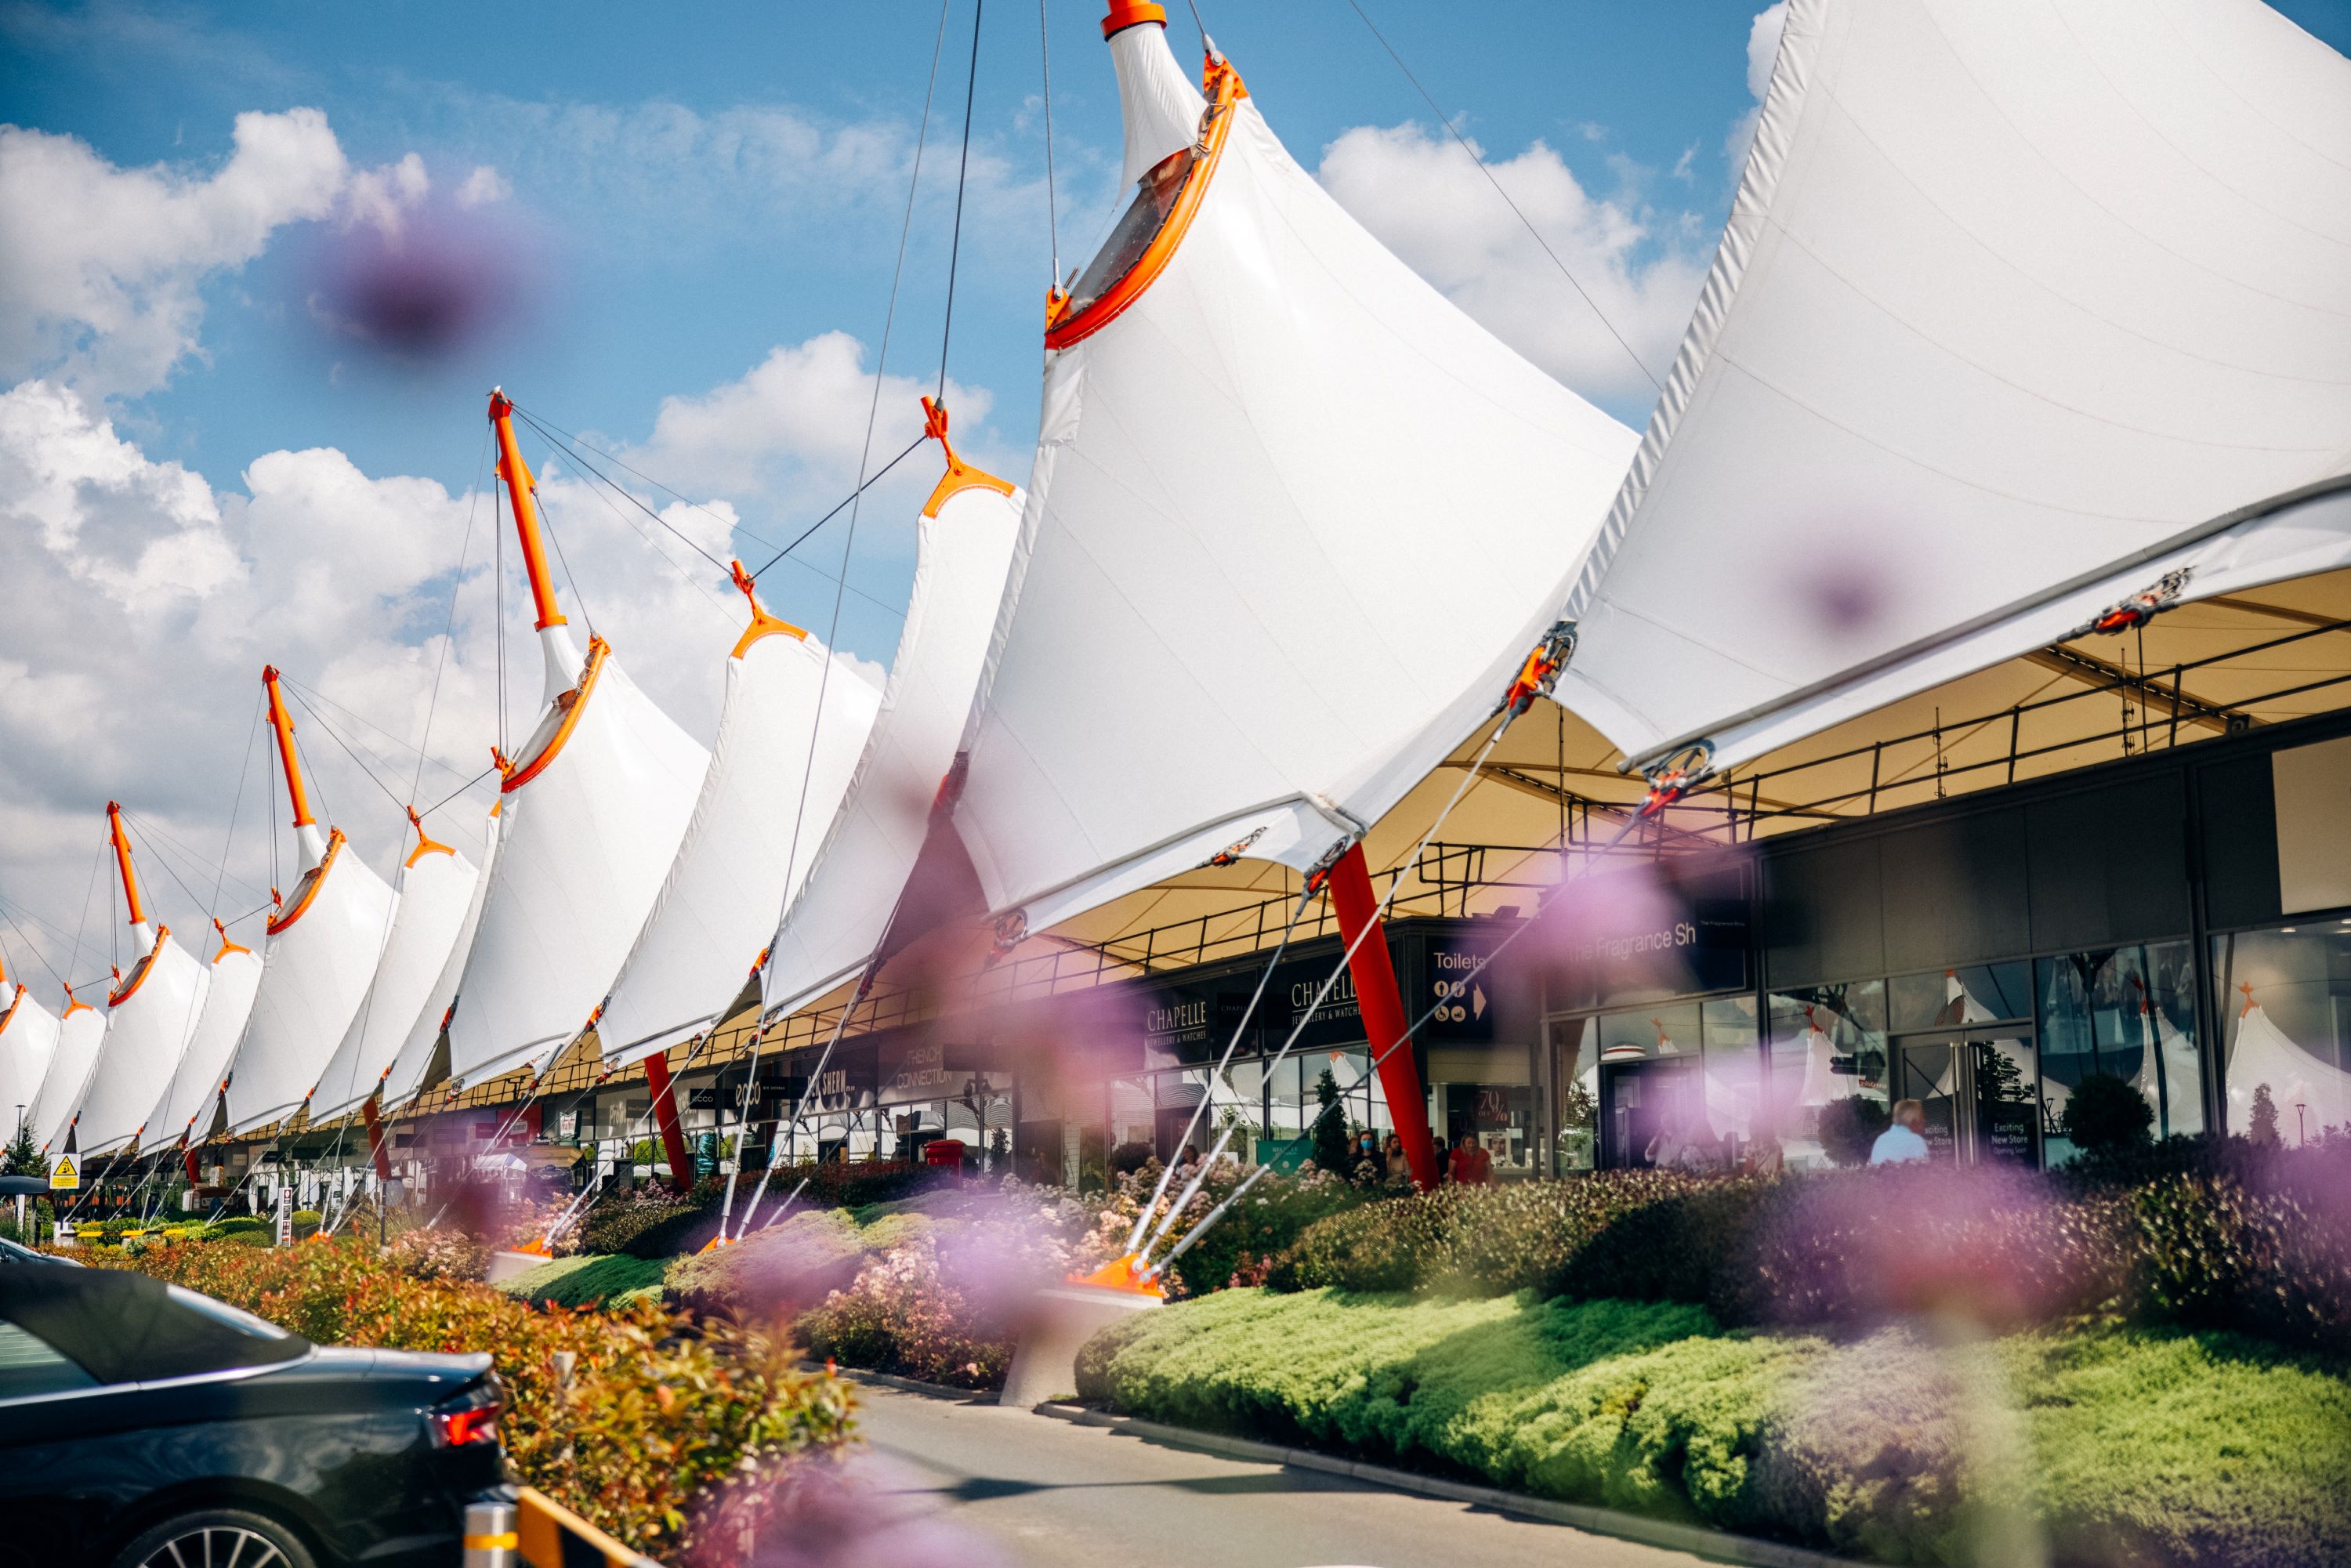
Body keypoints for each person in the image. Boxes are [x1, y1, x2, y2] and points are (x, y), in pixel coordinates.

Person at [1870, 1099, 1931, 1164]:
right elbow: (1924, 1172)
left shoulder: (1880, 1140)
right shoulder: (1916, 1141)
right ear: (1914, 1121)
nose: (1925, 1122)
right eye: (1922, 1118)